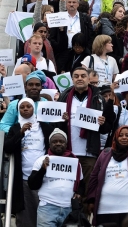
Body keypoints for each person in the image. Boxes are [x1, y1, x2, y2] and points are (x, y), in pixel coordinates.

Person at [54, 67, 115, 199]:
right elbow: (56, 126)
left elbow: (106, 128)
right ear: (72, 79)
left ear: (88, 79)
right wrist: (62, 120)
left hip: (88, 154)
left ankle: (84, 219)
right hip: (67, 153)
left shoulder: (98, 99)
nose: (80, 78)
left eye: (83, 76)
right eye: (76, 76)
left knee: (87, 193)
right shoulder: (64, 97)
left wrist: (102, 122)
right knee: (67, 191)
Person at [4, 98, 55, 227]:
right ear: (18, 110)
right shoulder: (15, 128)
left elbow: (56, 143)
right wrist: (20, 133)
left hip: (43, 177)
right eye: (22, 107)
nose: (25, 109)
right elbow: (7, 147)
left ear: (34, 109)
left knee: (44, 214)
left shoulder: (44, 126)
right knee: (26, 215)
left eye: (29, 106)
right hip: (23, 179)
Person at [28, 129, 84, 227]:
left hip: (68, 208)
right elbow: (32, 185)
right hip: (47, 208)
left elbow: (81, 184)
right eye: (54, 142)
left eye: (61, 142)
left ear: (66, 144)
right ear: (49, 144)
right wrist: (42, 170)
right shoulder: (42, 160)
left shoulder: (75, 162)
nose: (58, 144)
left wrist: (79, 194)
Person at [53, 0, 94, 71]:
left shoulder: (85, 18)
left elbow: (91, 36)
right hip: (63, 53)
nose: (71, 4)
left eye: (74, 2)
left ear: (78, 4)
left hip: (81, 54)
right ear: (66, 4)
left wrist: (86, 48)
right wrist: (58, 47)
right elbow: (52, 37)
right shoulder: (58, 17)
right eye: (69, 2)